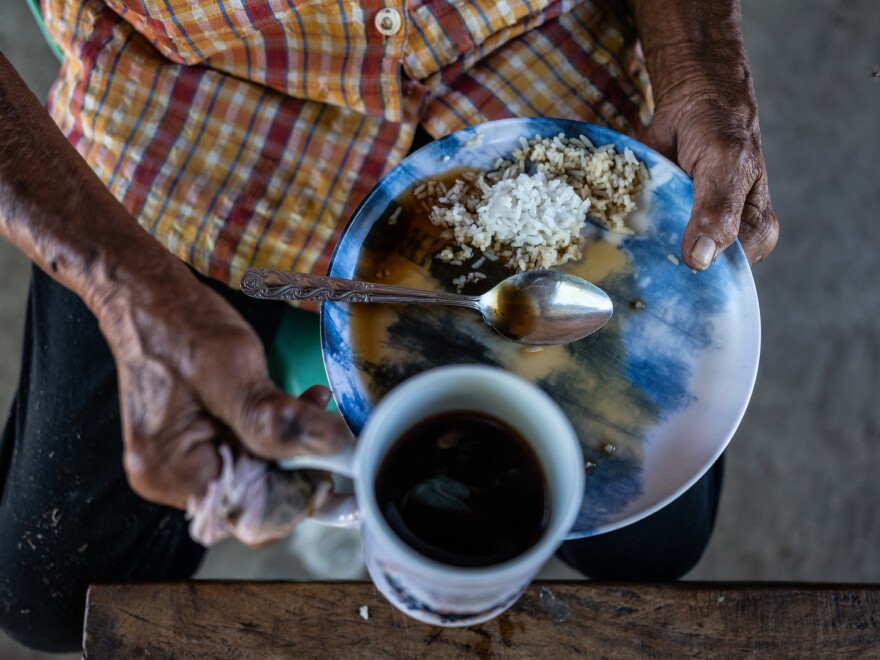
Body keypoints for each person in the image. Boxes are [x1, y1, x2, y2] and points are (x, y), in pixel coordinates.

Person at [0, 0, 778, 651]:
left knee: (660, 542)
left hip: (517, 46)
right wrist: (121, 286)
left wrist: (700, 62)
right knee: (52, 593)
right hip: (191, 92)